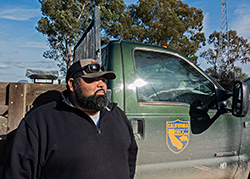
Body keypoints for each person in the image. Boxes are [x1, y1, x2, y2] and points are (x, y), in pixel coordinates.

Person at [2, 59, 138, 179]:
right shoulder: (40, 121)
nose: (101, 84)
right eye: (91, 80)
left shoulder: (117, 115)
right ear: (72, 85)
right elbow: (17, 172)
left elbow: (130, 157)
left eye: (103, 80)